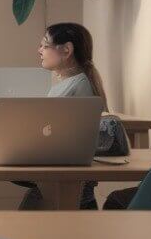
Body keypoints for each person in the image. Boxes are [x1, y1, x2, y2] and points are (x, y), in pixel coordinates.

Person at [19, 22, 109, 210]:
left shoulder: (78, 86)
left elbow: (73, 143)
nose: (39, 50)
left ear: (67, 50)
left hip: (68, 186)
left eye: (44, 45)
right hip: (57, 176)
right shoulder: (67, 84)